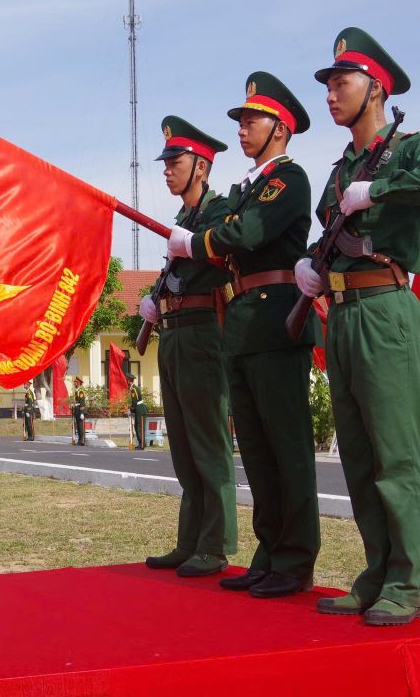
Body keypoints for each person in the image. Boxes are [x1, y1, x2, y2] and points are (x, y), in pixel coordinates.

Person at [296, 28, 420, 625]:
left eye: (341, 82)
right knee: (360, 455)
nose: (330, 94)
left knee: (396, 456)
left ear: (376, 88)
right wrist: (312, 271)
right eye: (329, 84)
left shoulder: (411, 149)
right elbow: (330, 227)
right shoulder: (342, 165)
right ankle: (377, 571)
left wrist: (381, 190)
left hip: (387, 308)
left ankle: (408, 580)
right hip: (341, 314)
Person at [168, 73, 319, 599]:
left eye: (253, 119)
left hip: (276, 316)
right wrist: (210, 239)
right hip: (245, 322)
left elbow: (245, 233)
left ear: (281, 128)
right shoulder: (249, 188)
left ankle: (296, 560)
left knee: (288, 449)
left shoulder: (288, 179)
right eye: (242, 119)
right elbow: (231, 231)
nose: (243, 127)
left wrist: (197, 242)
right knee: (256, 450)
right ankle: (269, 551)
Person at [138, 115, 237, 578]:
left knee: (207, 442)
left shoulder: (217, 212)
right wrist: (158, 302)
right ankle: (190, 539)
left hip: (202, 329)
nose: (166, 169)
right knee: (181, 443)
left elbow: (223, 254)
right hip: (176, 330)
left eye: (175, 160)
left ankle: (215, 544)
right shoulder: (184, 218)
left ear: (201, 165)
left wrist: (192, 245)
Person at [127, 374, 147, 450]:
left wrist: (131, 409)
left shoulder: (133, 389)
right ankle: (141, 444)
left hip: (140, 409)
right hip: (138, 409)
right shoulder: (133, 388)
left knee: (139, 427)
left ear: (129, 381)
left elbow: (135, 402)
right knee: (137, 426)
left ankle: (142, 445)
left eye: (127, 380)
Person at [70, 377, 87, 445]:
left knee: (81, 426)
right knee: (78, 427)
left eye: (76, 382)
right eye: (74, 382)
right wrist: (73, 405)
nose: (74, 383)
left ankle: (82, 440)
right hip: (77, 410)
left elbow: (82, 402)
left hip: (80, 411)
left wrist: (82, 413)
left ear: (79, 383)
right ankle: (79, 439)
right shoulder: (76, 391)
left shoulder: (81, 392)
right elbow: (76, 401)